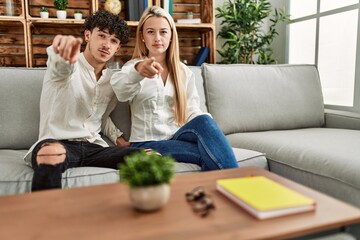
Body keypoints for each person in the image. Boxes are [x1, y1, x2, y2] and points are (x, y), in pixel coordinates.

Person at [25, 9, 142, 191]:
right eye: (102, 36)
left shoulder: (111, 79)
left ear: (118, 47)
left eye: (113, 41)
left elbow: (100, 116)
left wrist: (118, 138)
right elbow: (61, 69)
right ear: (88, 35)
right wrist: (64, 58)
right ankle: (45, 217)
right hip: (58, 142)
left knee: (148, 157)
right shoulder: (68, 65)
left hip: (94, 148)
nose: (106, 44)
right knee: (51, 153)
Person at [111, 6, 238, 171]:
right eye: (150, 32)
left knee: (205, 121)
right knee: (211, 154)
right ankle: (239, 186)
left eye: (163, 32)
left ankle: (226, 188)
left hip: (177, 138)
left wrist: (210, 134)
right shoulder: (133, 67)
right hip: (147, 143)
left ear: (171, 36)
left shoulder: (183, 71)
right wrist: (139, 71)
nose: (157, 38)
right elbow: (121, 92)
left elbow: (192, 111)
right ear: (142, 36)